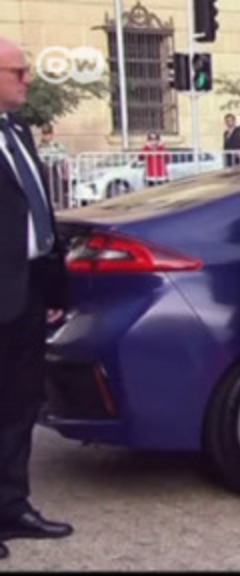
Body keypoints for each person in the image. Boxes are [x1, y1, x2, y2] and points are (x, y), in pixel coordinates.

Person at [0, 35, 74, 561]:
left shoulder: (18, 131)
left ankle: (12, 506)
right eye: (17, 72)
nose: (28, 80)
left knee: (20, 404)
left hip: (26, 291)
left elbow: (36, 212)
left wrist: (52, 286)